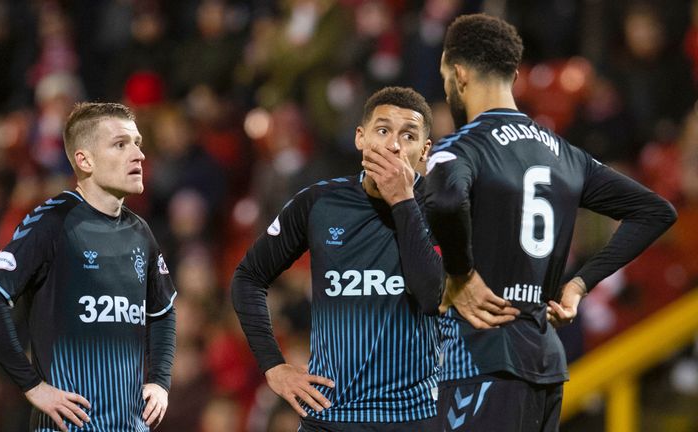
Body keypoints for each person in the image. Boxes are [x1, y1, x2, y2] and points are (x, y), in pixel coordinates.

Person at [424, 14, 677, 431]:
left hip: (482, 360)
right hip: (544, 361)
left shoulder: (461, 148)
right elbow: (655, 211)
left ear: (459, 72)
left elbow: (446, 199)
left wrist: (460, 274)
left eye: (445, 76)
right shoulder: (565, 153)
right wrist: (580, 284)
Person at [232, 86, 444, 431]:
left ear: (424, 151)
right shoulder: (319, 203)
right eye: (383, 130)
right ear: (360, 138)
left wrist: (403, 202)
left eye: (408, 135)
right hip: (331, 417)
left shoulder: (442, 209)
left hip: (414, 417)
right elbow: (248, 277)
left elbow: (431, 296)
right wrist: (274, 366)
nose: (393, 145)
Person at [0, 102, 177, 431]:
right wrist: (33, 386)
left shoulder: (140, 232)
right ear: (84, 159)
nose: (138, 155)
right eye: (121, 144)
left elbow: (163, 310)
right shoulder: (53, 222)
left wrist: (161, 382)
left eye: (137, 143)